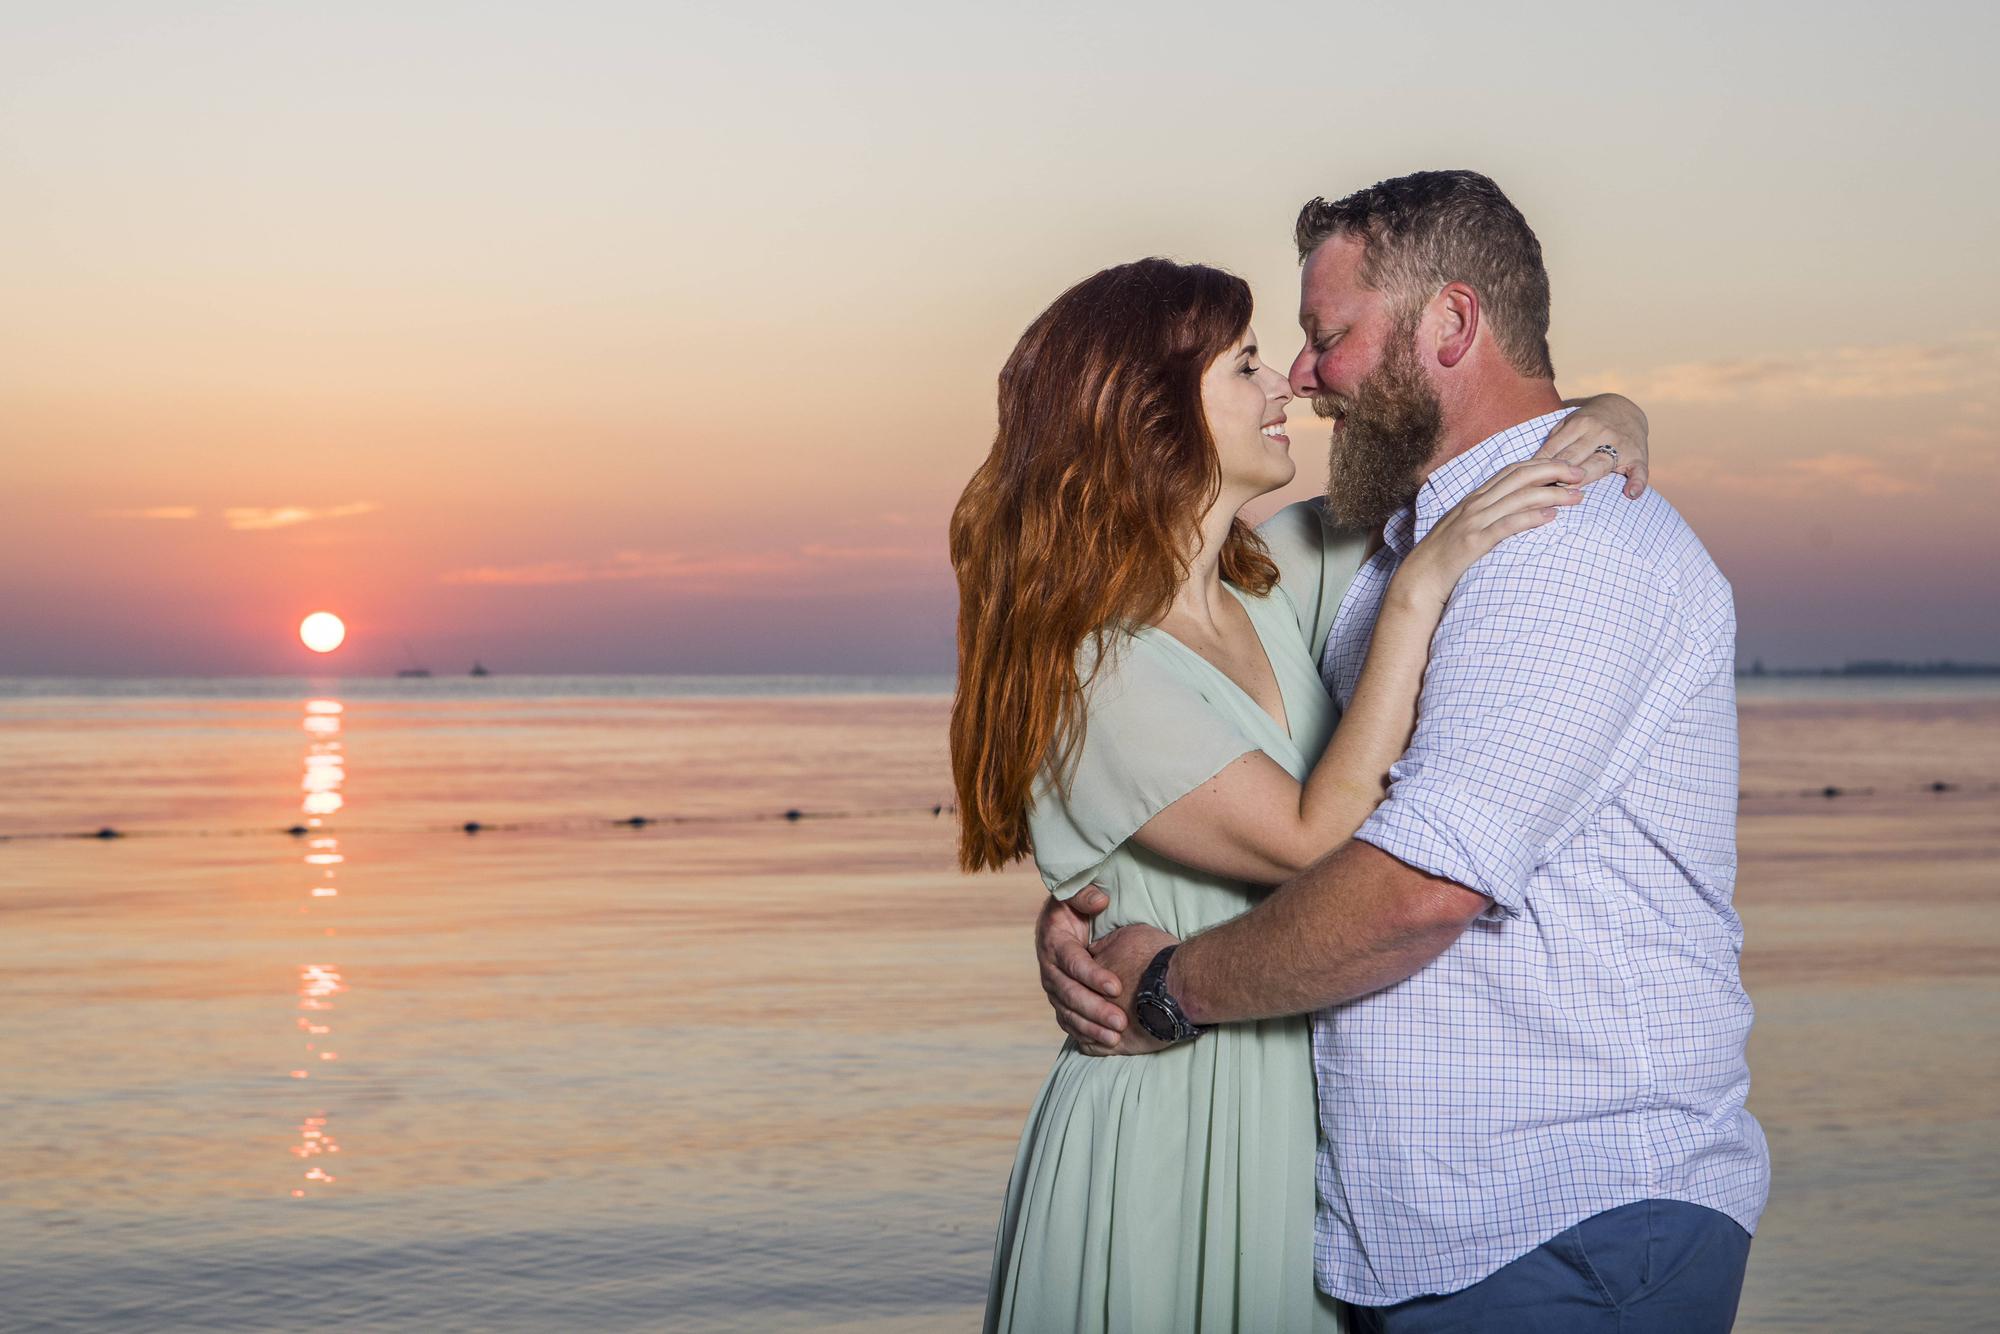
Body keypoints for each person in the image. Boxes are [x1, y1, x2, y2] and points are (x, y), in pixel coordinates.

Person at [1037, 172, 1768, 1333]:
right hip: (1417, 1235)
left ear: (1451, 323)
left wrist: (1166, 985)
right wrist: (1103, 898)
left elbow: (1420, 887)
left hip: (1561, 1221)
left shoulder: (1558, 549)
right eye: (1265, 356)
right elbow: (1187, 736)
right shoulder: (1375, 557)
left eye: (1324, 336)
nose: (1301, 375)